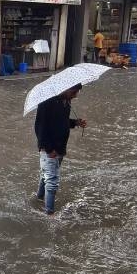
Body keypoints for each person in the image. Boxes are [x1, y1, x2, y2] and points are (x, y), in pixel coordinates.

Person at [34, 84, 87, 215]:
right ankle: (49, 214)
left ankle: (39, 198)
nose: (75, 96)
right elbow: (39, 128)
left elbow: (62, 122)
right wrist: (48, 148)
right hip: (50, 149)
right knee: (52, 182)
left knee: (46, 174)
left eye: (77, 93)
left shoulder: (66, 102)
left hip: (60, 147)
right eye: (73, 92)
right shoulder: (46, 103)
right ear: (65, 88)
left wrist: (75, 123)